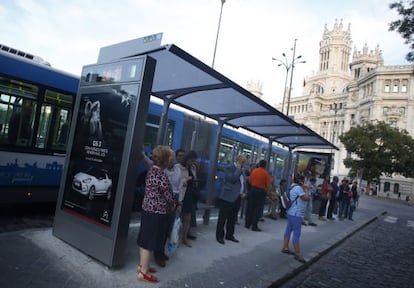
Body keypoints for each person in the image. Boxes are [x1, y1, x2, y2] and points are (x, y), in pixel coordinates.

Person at [136, 145, 176, 283]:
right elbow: (168, 196)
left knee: (144, 239)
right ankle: (144, 273)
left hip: (147, 209)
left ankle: (142, 265)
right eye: (170, 158)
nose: (172, 161)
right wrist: (173, 205)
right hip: (157, 212)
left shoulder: (151, 171)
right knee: (149, 243)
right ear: (165, 160)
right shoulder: (162, 176)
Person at [216, 155, 247, 244]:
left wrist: (244, 192)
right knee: (223, 217)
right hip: (227, 196)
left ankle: (229, 235)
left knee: (232, 218)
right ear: (237, 161)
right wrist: (238, 169)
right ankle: (219, 236)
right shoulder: (229, 167)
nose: (243, 164)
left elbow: (243, 182)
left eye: (244, 162)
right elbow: (232, 179)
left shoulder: (242, 169)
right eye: (242, 162)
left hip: (238, 197)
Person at [281, 174, 309, 263]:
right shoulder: (298, 189)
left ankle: (285, 247)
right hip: (296, 214)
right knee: (297, 233)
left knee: (288, 230)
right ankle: (297, 253)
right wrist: (306, 189)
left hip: (291, 212)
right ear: (301, 181)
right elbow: (306, 198)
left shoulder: (293, 186)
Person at [245, 159, 272, 231]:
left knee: (250, 207)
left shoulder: (254, 171)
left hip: (252, 190)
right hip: (260, 192)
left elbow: (249, 181)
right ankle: (254, 226)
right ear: (265, 165)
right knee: (257, 209)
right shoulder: (266, 173)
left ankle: (247, 224)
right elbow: (268, 185)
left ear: (259, 164)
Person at [180, 150, 199, 247]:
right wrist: (185, 180)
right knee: (177, 217)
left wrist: (194, 180)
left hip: (190, 194)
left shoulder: (193, 168)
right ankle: (173, 236)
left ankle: (184, 237)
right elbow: (176, 182)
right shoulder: (179, 167)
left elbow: (194, 178)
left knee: (187, 218)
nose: (193, 162)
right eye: (192, 160)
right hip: (181, 194)